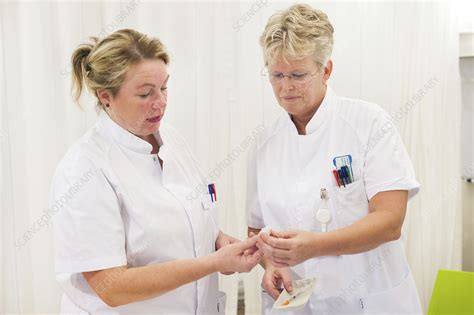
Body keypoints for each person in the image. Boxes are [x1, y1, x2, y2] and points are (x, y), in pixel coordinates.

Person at [50, 29, 262, 314]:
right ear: (106, 97)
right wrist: (213, 263)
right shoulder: (84, 169)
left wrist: (215, 240)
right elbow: (111, 286)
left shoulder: (172, 141)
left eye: (164, 88)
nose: (160, 102)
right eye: (145, 93)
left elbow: (181, 220)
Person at [247, 4, 422, 314]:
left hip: (368, 300)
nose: (286, 87)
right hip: (298, 304)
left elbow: (389, 222)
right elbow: (256, 228)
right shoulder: (265, 143)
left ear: (326, 70)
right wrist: (271, 262)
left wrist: (314, 246)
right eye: (276, 75)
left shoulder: (369, 123)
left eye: (298, 74)